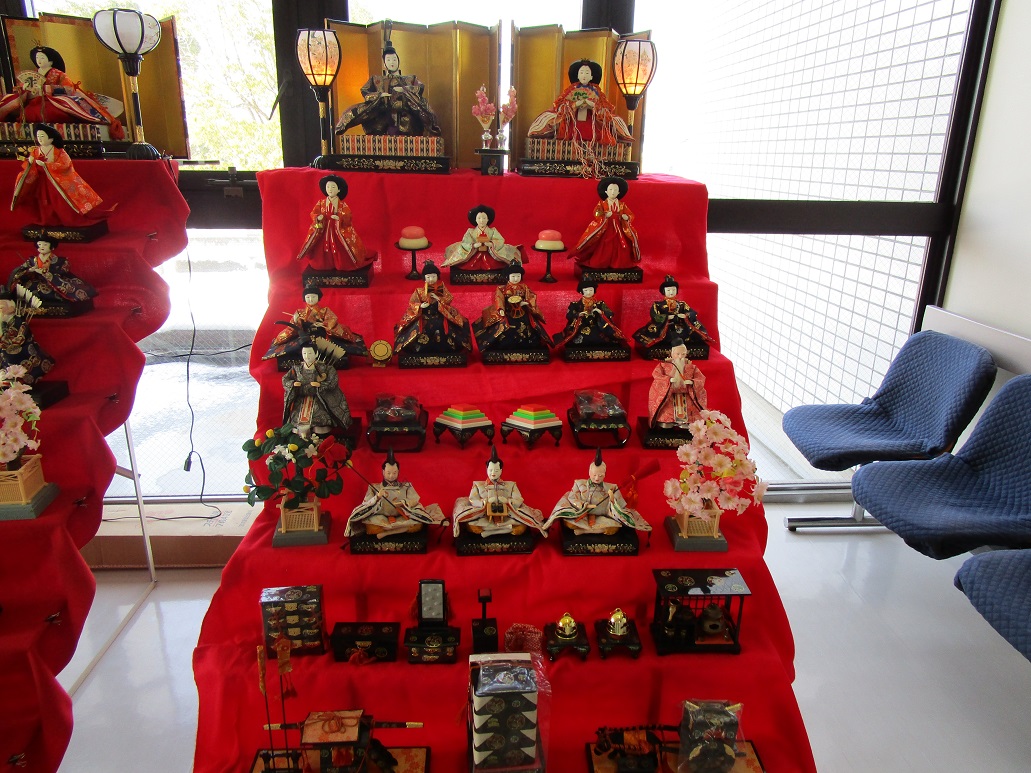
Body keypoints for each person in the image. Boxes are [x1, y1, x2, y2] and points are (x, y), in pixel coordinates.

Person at [0, 46, 124, 140]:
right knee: (26, 110)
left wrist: (47, 89)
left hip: (53, 100)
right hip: (34, 101)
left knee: (50, 111)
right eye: (37, 58)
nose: (39, 60)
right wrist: (25, 88)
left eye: (42, 58)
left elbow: (69, 89)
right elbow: (21, 89)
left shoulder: (58, 74)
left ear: (50, 61)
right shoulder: (33, 73)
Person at [334, 45, 441, 137]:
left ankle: (433, 127)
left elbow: (420, 88)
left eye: (394, 59)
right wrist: (379, 95)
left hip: (406, 116)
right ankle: (342, 125)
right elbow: (365, 91)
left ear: (398, 60)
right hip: (382, 116)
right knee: (357, 110)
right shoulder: (376, 80)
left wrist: (404, 90)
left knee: (423, 108)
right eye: (388, 60)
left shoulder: (410, 79)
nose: (392, 62)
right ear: (384, 64)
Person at [10, 123, 106, 226]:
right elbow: (30, 166)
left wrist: (46, 165)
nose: (40, 139)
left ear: (51, 138)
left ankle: (67, 219)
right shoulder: (35, 151)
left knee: (60, 201)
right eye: (38, 136)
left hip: (56, 181)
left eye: (42, 136)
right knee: (43, 202)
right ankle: (48, 220)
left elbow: (65, 164)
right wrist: (30, 162)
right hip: (41, 181)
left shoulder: (59, 152)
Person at [526, 59, 632, 147]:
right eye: (581, 73)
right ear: (577, 75)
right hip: (573, 121)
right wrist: (575, 104)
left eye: (587, 73)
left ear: (591, 76)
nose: (584, 75)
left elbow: (603, 107)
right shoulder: (571, 90)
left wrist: (591, 105)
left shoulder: (596, 91)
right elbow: (561, 105)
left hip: (591, 121)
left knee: (606, 125)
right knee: (557, 122)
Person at [544, 449, 651, 535]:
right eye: (594, 475)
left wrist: (612, 498)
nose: (596, 478)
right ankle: (584, 529)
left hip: (602, 517)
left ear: (605, 474)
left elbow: (620, 507)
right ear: (589, 473)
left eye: (600, 475)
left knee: (613, 528)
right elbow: (572, 498)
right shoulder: (579, 484)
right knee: (569, 523)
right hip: (583, 514)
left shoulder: (612, 487)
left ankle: (584, 532)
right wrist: (585, 505)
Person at [345, 449, 447, 538]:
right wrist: (377, 497)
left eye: (394, 473)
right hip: (381, 517)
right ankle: (393, 530)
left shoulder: (406, 486)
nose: (391, 476)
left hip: (401, 516)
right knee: (371, 524)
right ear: (383, 472)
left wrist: (403, 503)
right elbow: (366, 504)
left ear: (398, 472)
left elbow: (414, 500)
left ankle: (388, 533)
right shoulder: (374, 487)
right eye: (388, 473)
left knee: (416, 523)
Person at [452, 446, 547, 538]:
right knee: (473, 526)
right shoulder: (478, 485)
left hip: (506, 516)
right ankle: (500, 530)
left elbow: (519, 499)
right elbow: (472, 500)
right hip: (485, 516)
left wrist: (507, 501)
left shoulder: (511, 485)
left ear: (501, 471)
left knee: (520, 526)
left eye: (496, 470)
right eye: (490, 470)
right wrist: (485, 502)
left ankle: (491, 531)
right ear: (486, 470)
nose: (493, 473)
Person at [264, 285, 367, 362]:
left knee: (339, 348)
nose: (310, 299)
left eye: (313, 297)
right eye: (308, 297)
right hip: (306, 337)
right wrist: (295, 320)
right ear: (304, 298)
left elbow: (332, 320)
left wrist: (324, 324)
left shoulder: (324, 311)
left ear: (318, 297)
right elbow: (294, 328)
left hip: (322, 336)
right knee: (292, 348)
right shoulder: (300, 312)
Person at [393, 260, 472, 358]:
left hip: (440, 314)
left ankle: (445, 348)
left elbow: (449, 298)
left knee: (443, 326)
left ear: (437, 277)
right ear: (424, 278)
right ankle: (419, 348)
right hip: (424, 315)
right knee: (421, 329)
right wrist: (420, 306)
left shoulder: (441, 289)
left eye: (434, 276)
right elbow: (412, 303)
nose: (431, 279)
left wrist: (438, 299)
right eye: (428, 277)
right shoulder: (419, 291)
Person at [296, 175, 372, 271]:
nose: (330, 189)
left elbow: (348, 216)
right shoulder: (321, 203)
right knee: (320, 251)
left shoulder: (342, 205)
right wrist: (317, 217)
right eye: (328, 187)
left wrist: (339, 217)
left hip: (337, 229)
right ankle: (324, 263)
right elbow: (313, 213)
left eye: (333, 187)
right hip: (324, 229)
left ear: (339, 190)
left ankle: (340, 262)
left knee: (341, 250)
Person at [472, 264, 551, 355]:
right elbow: (499, 298)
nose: (516, 279)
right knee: (504, 325)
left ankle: (527, 343)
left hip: (522, 310)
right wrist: (501, 309)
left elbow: (531, 296)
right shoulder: (502, 289)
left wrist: (526, 302)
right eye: (513, 276)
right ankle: (503, 344)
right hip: (508, 311)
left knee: (528, 324)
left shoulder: (524, 287)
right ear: (508, 277)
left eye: (518, 276)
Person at [7, 234, 96, 314]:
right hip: (35, 282)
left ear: (52, 247)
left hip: (53, 284)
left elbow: (63, 272)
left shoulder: (60, 261)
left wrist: (45, 272)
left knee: (64, 292)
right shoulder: (32, 260)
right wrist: (30, 270)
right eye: (39, 244)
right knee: (23, 289)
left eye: (45, 244)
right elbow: (20, 271)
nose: (42, 246)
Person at [571, 176, 641, 270]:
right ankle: (602, 262)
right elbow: (597, 212)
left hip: (619, 227)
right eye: (610, 190)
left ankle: (619, 263)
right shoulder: (602, 204)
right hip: (606, 226)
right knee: (604, 246)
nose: (613, 192)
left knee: (620, 246)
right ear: (606, 191)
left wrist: (627, 217)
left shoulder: (622, 205)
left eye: (615, 190)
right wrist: (604, 215)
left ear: (619, 192)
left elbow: (630, 214)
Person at [633, 275, 714, 355]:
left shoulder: (682, 304)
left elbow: (692, 312)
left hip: (680, 326)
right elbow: (655, 316)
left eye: (673, 290)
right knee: (659, 333)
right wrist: (666, 317)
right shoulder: (658, 305)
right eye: (668, 290)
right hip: (664, 326)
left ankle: (680, 343)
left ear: (677, 291)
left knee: (689, 333)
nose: (671, 292)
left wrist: (685, 315)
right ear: (664, 291)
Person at [282, 343, 351, 438]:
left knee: (319, 418)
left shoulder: (325, 368)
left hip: (319, 398)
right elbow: (285, 379)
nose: (307, 356)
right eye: (304, 353)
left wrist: (321, 385)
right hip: (301, 399)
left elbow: (333, 381)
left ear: (316, 354)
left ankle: (319, 434)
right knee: (296, 418)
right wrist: (293, 384)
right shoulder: (296, 369)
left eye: (310, 353)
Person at [552, 277, 629, 353]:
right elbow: (569, 315)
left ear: (594, 291)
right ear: (581, 292)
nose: (588, 292)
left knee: (604, 338)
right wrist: (579, 314)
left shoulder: (600, 303)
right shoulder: (574, 304)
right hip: (581, 327)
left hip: (598, 326)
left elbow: (610, 313)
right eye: (586, 290)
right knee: (577, 338)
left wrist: (600, 312)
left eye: (591, 290)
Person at [647, 338, 707, 429]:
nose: (680, 356)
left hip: (687, 394)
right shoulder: (663, 365)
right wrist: (667, 380)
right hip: (669, 395)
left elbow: (700, 378)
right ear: (672, 353)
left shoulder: (692, 367)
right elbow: (657, 375)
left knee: (690, 407)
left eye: (683, 354)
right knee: (667, 408)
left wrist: (692, 382)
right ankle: (666, 421)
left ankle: (686, 422)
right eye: (678, 354)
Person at [442, 205, 524, 270]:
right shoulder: (470, 231)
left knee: (500, 262)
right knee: (464, 260)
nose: (481, 220)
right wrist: (474, 245)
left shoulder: (493, 231)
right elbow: (465, 242)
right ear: (475, 220)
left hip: (490, 254)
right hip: (474, 254)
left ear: (488, 219)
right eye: (479, 218)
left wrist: (491, 244)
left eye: (484, 218)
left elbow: (500, 240)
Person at [0, 292, 54, 385]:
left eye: (1, 308)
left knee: (11, 357)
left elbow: (20, 337)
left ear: (11, 309)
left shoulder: (18, 322)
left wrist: (4, 340)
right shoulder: (3, 322)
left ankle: (13, 378)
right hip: (5, 347)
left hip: (21, 350)